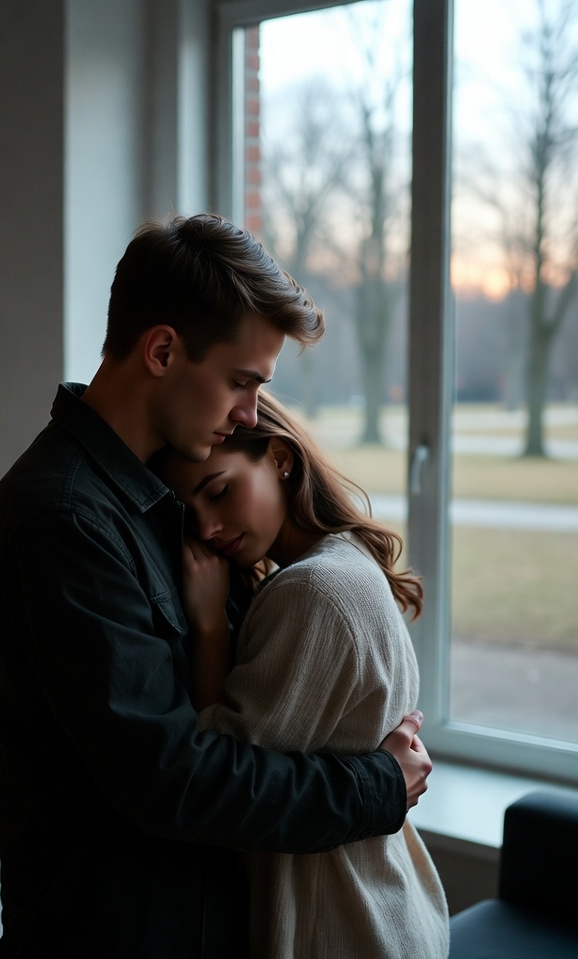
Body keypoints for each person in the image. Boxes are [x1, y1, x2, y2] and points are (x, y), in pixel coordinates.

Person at [0, 213, 433, 958]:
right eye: (240, 382)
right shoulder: (62, 522)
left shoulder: (163, 493)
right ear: (161, 350)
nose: (249, 413)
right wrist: (377, 787)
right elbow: (173, 779)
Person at [154, 390, 449, 959]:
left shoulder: (312, 591)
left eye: (220, 490)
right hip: (379, 903)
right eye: (192, 517)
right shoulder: (345, 561)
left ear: (281, 459)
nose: (210, 529)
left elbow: (220, 772)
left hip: (341, 925)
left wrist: (210, 627)